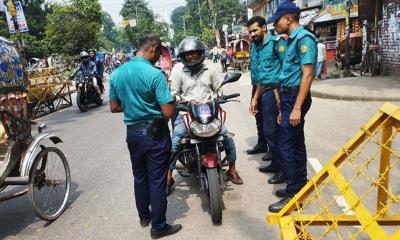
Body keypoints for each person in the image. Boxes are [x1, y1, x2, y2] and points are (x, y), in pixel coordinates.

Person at [109, 34, 182, 239]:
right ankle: (158, 227)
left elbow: (114, 107)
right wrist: (173, 101)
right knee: (157, 181)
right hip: (154, 134)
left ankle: (144, 216)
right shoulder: (154, 74)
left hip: (133, 134)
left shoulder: (117, 73)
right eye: (159, 52)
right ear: (153, 48)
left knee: (140, 177)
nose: (159, 57)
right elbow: (167, 112)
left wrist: (133, 106)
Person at [167, 36, 243, 192]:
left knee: (226, 136)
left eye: (194, 53)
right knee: (175, 141)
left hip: (209, 111)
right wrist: (181, 100)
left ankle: (233, 169)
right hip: (186, 112)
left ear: (200, 53)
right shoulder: (178, 69)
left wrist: (219, 95)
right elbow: (174, 92)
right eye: (188, 54)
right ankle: (168, 175)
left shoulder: (210, 67)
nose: (191, 56)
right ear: (183, 56)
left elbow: (218, 87)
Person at [267, 1, 317, 213]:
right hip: (288, 97)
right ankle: (301, 183)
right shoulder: (290, 41)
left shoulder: (304, 39)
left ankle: (293, 192)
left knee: (285, 144)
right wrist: (284, 107)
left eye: (276, 20)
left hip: (296, 97)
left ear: (288, 18)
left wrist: (296, 108)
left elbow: (307, 75)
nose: (274, 25)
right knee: (296, 143)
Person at [247, 16, 286, 184]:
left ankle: (282, 170)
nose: (252, 34)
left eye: (254, 30)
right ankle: (275, 163)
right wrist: (255, 98)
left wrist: (283, 98)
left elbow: (288, 67)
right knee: (265, 127)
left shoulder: (276, 43)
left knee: (274, 131)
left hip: (274, 92)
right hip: (260, 89)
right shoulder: (254, 46)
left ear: (264, 28)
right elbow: (260, 75)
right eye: (250, 32)